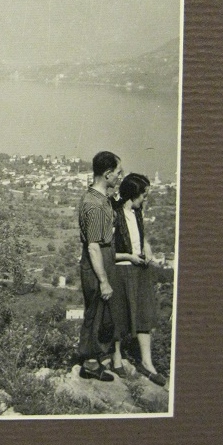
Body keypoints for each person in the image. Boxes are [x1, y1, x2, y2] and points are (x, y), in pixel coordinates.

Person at [109, 173, 167, 386]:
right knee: (118, 315)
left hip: (139, 270)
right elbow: (108, 251)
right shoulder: (113, 214)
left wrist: (147, 250)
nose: (145, 199)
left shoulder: (137, 213)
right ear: (133, 194)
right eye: (144, 195)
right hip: (120, 271)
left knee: (144, 314)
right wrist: (130, 257)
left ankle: (147, 363)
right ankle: (116, 359)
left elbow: (141, 238)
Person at [77, 151, 124, 381]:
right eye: (117, 172)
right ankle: (89, 363)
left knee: (102, 310)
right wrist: (104, 280)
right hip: (98, 259)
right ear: (107, 174)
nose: (119, 176)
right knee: (95, 309)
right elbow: (93, 247)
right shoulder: (93, 205)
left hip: (105, 256)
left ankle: (93, 359)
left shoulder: (101, 198)